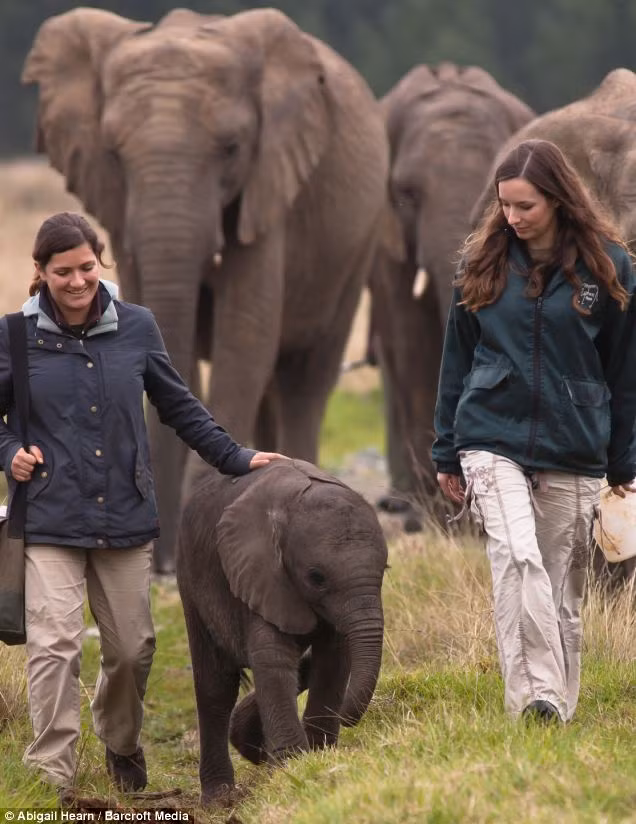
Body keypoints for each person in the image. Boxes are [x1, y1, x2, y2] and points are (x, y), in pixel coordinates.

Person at [0, 212, 287, 793]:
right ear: (40, 272)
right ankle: (49, 776)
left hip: (125, 513)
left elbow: (177, 405)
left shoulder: (136, 327)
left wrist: (236, 457)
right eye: (62, 273)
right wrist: (8, 452)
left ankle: (121, 742)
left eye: (86, 268)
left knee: (133, 651)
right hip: (49, 514)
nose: (77, 282)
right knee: (54, 646)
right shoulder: (13, 336)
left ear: (99, 262)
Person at [432, 139, 636, 724]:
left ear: (557, 199)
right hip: (488, 436)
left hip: (575, 443)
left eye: (526, 207)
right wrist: (447, 449)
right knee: (517, 557)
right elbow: (455, 361)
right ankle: (537, 697)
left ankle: (555, 713)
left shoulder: (609, 266)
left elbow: (624, 373)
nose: (513, 219)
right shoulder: (482, 263)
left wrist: (622, 464)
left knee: (560, 588)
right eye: (506, 207)